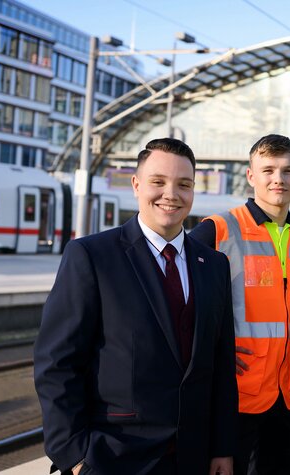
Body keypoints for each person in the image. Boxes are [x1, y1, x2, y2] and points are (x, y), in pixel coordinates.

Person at [34, 138, 238, 475]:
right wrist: (73, 454)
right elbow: (56, 363)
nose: (170, 194)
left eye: (183, 185)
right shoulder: (92, 256)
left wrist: (222, 448)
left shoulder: (214, 264)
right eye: (158, 182)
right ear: (136, 184)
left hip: (194, 457)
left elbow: (221, 366)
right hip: (114, 456)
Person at [190, 134, 290, 475]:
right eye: (268, 170)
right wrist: (211, 352)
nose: (279, 178)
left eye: (288, 170)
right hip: (237, 399)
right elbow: (179, 298)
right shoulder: (217, 231)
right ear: (251, 176)